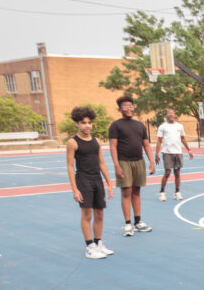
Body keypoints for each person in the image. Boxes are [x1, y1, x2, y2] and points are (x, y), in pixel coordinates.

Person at [65, 106, 114, 259]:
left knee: (100, 213)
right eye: (83, 123)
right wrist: (75, 189)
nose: (87, 126)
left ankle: (98, 243)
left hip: (97, 180)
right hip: (83, 180)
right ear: (77, 124)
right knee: (87, 214)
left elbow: (101, 163)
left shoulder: (96, 141)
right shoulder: (72, 142)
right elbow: (70, 166)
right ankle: (89, 246)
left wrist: (109, 183)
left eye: (89, 123)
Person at [107, 95, 155, 237]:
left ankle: (138, 221)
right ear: (120, 109)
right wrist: (117, 165)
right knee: (126, 192)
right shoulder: (115, 125)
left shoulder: (140, 125)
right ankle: (128, 224)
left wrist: (151, 161)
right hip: (123, 162)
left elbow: (146, 144)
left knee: (136, 191)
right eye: (125, 106)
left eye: (131, 106)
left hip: (138, 161)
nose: (129, 108)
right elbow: (113, 146)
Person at [154, 108, 193, 201]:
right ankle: (162, 192)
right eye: (169, 113)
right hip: (167, 152)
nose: (171, 115)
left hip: (178, 152)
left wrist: (189, 150)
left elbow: (183, 139)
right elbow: (159, 141)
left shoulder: (180, 126)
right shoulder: (163, 127)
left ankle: (177, 192)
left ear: (175, 115)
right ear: (166, 115)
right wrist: (156, 154)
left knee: (177, 173)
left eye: (172, 113)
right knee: (167, 172)